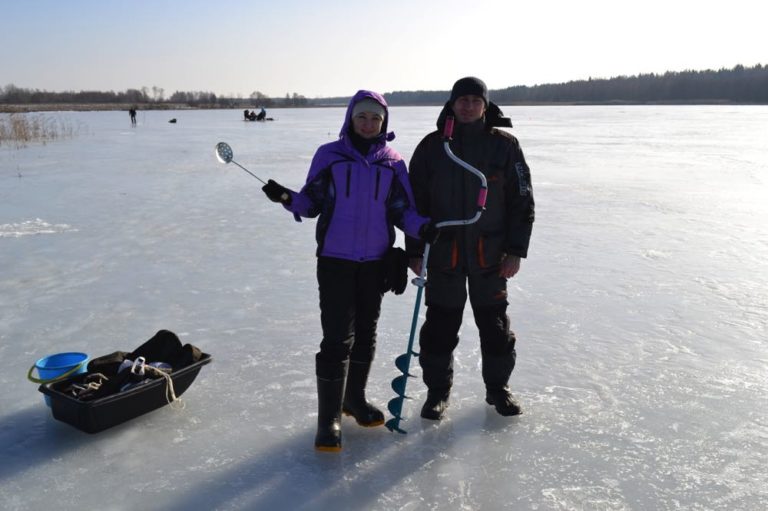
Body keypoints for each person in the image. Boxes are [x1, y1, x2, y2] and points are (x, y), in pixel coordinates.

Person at [261, 90, 438, 452]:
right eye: (362, 117)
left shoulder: (393, 162)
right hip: (335, 260)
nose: (368, 124)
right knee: (337, 338)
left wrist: (423, 228)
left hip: (375, 261)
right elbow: (311, 203)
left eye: (375, 119)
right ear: (350, 119)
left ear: (383, 122)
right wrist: (286, 198)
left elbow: (402, 211)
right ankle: (329, 419)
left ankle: (354, 399)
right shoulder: (330, 156)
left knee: (366, 333)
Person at [405, 77, 534, 421]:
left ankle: (498, 389)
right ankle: (437, 392)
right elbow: (414, 202)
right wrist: (415, 250)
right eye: (462, 100)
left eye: (476, 101)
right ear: (451, 104)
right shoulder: (432, 146)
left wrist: (516, 250)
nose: (468, 106)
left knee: (495, 327)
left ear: (485, 106)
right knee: (440, 328)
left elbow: (522, 200)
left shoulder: (504, 146)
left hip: (489, 255)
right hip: (443, 254)